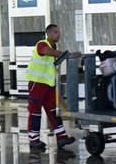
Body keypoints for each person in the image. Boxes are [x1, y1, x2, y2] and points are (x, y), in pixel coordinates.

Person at [27, 23, 79, 152]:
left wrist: (69, 55)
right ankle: (34, 140)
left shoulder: (53, 46)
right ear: (49, 33)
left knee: (52, 111)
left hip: (49, 85)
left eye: (59, 31)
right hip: (37, 83)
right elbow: (47, 52)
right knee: (35, 112)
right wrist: (67, 55)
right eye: (55, 32)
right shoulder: (42, 44)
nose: (58, 34)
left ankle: (61, 137)